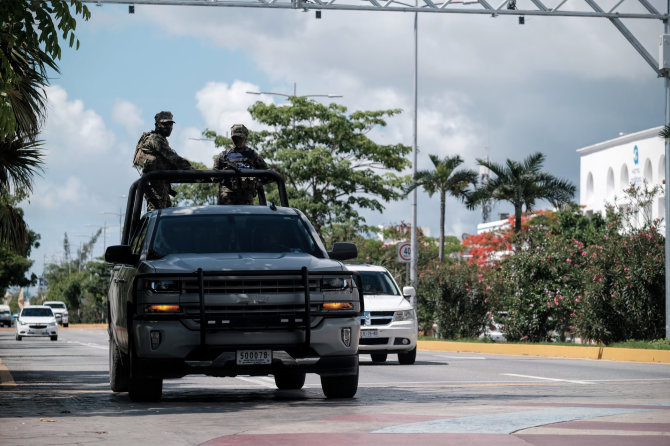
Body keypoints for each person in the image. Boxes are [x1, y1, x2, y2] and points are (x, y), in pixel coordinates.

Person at [133, 111, 193, 211]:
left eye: (170, 124)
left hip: (161, 183)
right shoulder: (155, 139)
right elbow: (174, 158)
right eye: (164, 124)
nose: (168, 127)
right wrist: (192, 170)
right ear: (157, 125)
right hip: (154, 185)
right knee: (157, 214)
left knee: (167, 213)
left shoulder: (161, 139)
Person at [213, 124, 268, 205]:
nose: (237, 140)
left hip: (246, 196)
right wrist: (224, 173)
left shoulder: (252, 155)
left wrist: (256, 182)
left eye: (240, 138)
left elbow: (267, 174)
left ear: (245, 138)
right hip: (227, 197)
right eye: (235, 138)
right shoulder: (224, 155)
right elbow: (213, 176)